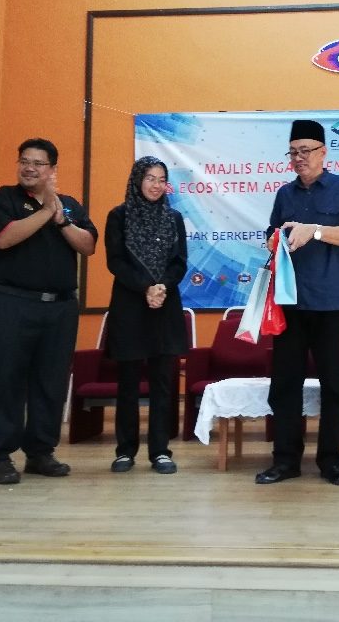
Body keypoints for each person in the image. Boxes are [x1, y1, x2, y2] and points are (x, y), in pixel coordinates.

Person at [0, 138, 97, 485]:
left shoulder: (70, 206)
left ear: (52, 169)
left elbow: (88, 245)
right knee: (5, 380)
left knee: (51, 381)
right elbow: (4, 239)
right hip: (11, 304)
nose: (29, 168)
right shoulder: (3, 199)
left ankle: (41, 453)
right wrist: (46, 210)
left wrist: (61, 220)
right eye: (24, 161)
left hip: (59, 308)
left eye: (38, 163)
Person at [255, 120, 339, 487]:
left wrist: (313, 231)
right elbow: (272, 235)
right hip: (290, 303)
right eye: (293, 152)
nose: (299, 158)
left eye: (305, 151)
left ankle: (331, 461)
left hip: (332, 303)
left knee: (333, 386)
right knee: (285, 385)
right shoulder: (285, 194)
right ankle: (285, 460)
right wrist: (274, 241)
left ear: (323, 152)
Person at [104, 156, 188, 475]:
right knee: (128, 382)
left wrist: (161, 286)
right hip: (130, 306)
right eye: (150, 178)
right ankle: (125, 451)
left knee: (163, 383)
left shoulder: (174, 218)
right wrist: (145, 288)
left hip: (165, 305)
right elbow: (115, 261)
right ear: (137, 179)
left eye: (161, 179)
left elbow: (179, 262)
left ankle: (160, 451)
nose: (156, 185)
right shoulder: (119, 216)